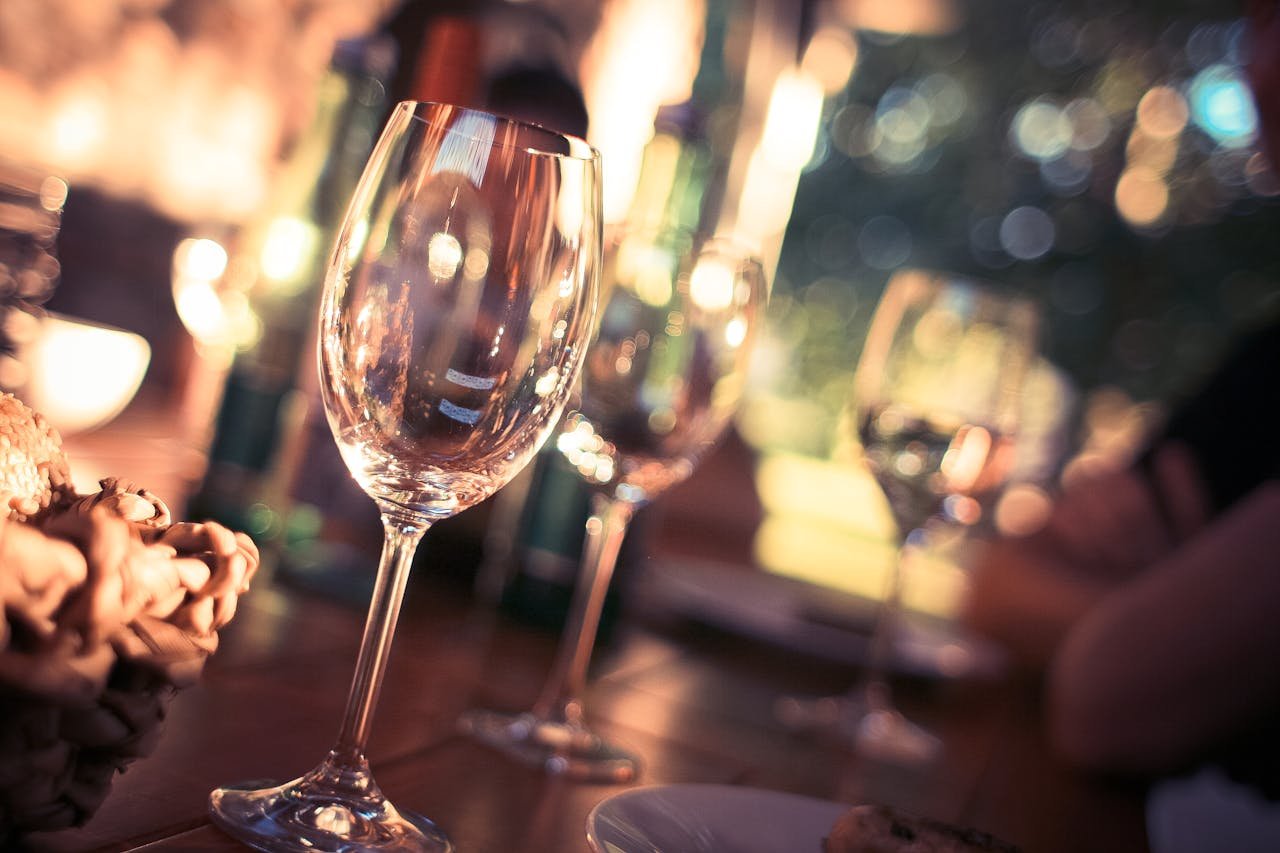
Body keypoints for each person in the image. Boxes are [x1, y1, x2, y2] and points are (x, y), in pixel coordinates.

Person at [961, 0, 1280, 797]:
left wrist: (1165, 629)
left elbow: (1106, 693)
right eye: (1258, 21)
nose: (1257, 61)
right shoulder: (1266, 369)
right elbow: (994, 585)